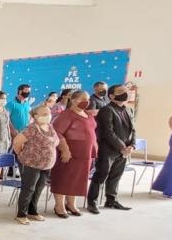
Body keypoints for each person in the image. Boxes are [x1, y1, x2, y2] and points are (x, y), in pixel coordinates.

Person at [87, 84, 136, 214]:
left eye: (126, 91)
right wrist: (122, 147)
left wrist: (132, 145)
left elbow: (133, 130)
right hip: (108, 149)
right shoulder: (107, 110)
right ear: (111, 96)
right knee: (101, 175)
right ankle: (92, 202)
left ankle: (111, 200)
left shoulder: (129, 110)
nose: (125, 93)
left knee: (116, 176)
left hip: (124, 150)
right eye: (121, 91)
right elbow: (108, 132)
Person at [50, 91, 96, 218]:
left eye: (87, 99)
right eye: (82, 99)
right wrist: (65, 149)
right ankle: (59, 205)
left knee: (77, 179)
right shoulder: (66, 115)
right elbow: (57, 133)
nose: (86, 101)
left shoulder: (88, 114)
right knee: (64, 178)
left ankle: (71, 204)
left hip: (85, 153)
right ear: (73, 100)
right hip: (69, 153)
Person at [12, 106, 60, 224]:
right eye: (44, 114)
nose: (47, 115)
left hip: (46, 165)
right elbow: (17, 142)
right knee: (29, 189)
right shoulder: (32, 128)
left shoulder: (50, 126)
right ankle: (21, 214)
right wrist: (20, 154)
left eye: (48, 113)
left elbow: (56, 140)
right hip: (31, 164)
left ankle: (32, 211)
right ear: (35, 116)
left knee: (38, 189)